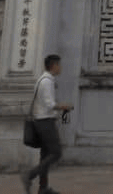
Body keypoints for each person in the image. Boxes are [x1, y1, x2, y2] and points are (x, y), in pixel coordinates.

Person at [21, 54, 73, 194]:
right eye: (59, 65)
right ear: (54, 65)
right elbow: (50, 104)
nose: (60, 68)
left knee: (45, 155)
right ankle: (30, 175)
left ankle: (43, 188)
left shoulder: (42, 80)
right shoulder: (47, 81)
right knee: (56, 153)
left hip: (40, 120)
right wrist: (63, 106)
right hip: (45, 121)